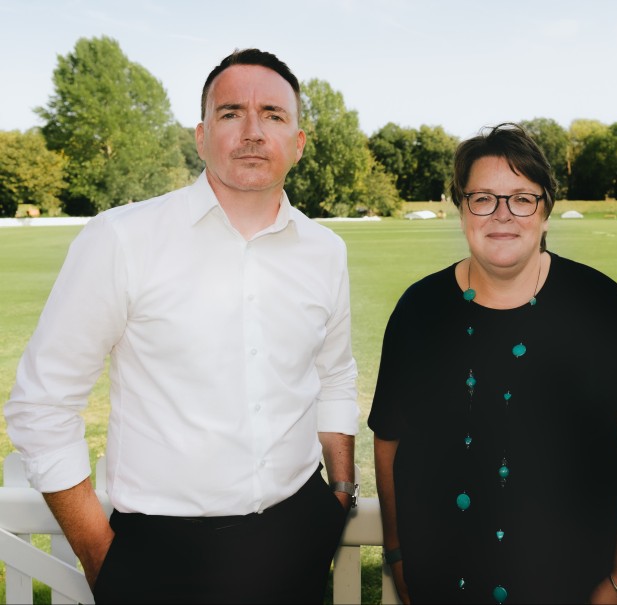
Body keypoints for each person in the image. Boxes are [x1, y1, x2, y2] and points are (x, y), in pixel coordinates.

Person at [4, 48, 359, 604]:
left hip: (299, 532)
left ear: (298, 142)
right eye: (230, 113)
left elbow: (335, 375)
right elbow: (43, 405)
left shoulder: (325, 251)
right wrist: (100, 555)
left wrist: (339, 491)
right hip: (162, 554)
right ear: (201, 136)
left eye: (272, 115)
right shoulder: (122, 239)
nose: (252, 131)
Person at [369, 123, 617, 604]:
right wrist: (397, 554)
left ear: (545, 211)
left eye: (521, 198)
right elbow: (389, 440)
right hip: (442, 588)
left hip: (575, 590)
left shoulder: (599, 304)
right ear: (461, 210)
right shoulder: (418, 310)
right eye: (483, 198)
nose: (502, 214)